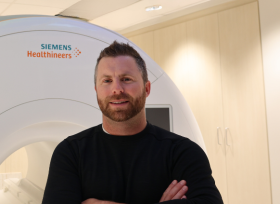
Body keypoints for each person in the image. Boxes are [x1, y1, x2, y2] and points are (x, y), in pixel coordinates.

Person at [42, 41, 223, 204]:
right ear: (97, 90)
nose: (117, 89)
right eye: (107, 81)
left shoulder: (182, 152)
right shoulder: (71, 153)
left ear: (147, 88)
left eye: (126, 79)